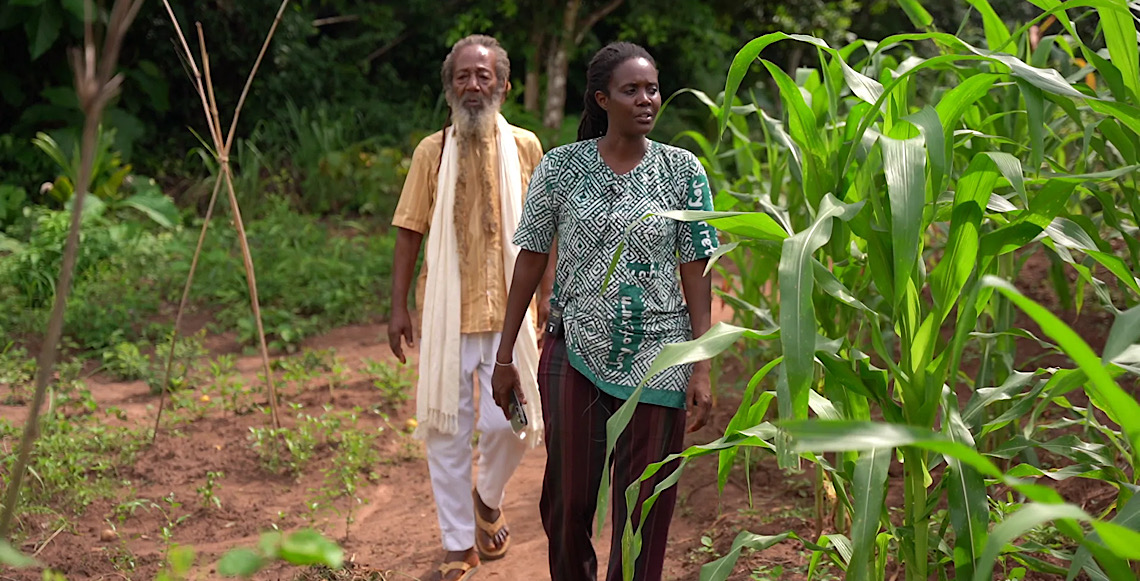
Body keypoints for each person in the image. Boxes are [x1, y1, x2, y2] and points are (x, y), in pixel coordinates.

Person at [491, 41, 717, 581]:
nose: (646, 100)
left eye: (652, 89)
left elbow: (698, 273)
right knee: (567, 504)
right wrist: (504, 359)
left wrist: (702, 364)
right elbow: (530, 261)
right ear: (602, 98)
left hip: (660, 361)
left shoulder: (683, 171)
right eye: (631, 90)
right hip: (574, 352)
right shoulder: (562, 169)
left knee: (643, 509)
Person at [388, 34, 552, 581]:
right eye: (463, 76)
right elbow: (409, 232)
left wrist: (548, 294)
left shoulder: (527, 147)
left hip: (512, 314)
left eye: (483, 76)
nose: (473, 85)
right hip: (445, 316)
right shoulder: (430, 152)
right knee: (445, 432)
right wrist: (397, 309)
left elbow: (544, 231)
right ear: (450, 88)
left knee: (514, 423)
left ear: (503, 85)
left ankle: (487, 497)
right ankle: (460, 546)